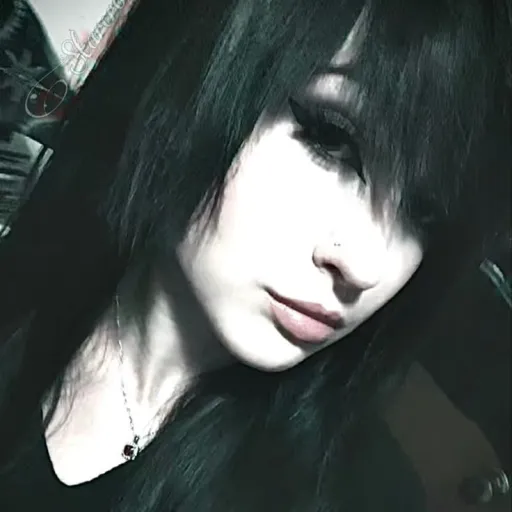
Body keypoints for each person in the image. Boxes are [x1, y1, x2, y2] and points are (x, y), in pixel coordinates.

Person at [0, 0, 510, 510]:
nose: (366, 265)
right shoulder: (24, 296)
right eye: (330, 138)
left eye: (424, 213)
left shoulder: (359, 495)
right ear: (199, 72)